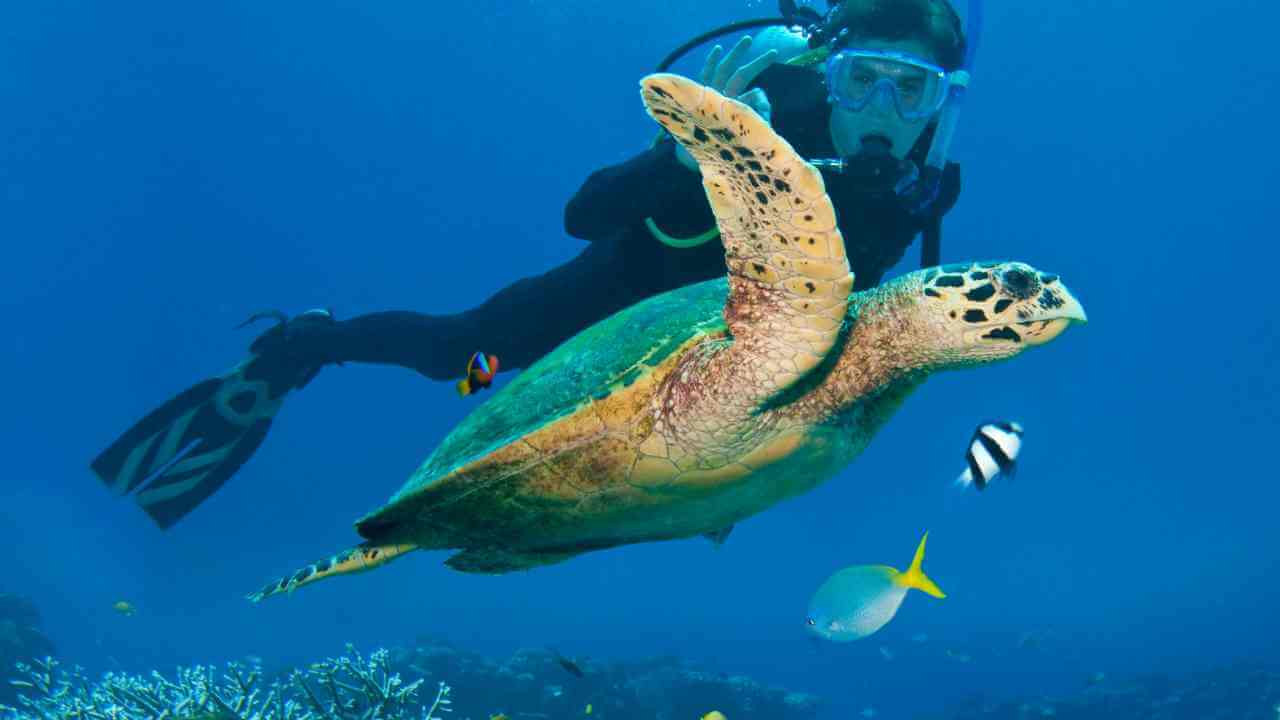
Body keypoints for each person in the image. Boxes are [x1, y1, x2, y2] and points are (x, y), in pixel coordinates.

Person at [92, 0, 978, 528]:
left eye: (913, 88)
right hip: (610, 299)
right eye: (863, 78)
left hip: (714, 362)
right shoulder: (758, 114)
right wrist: (686, 155)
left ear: (945, 103)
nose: (882, 108)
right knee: (465, 360)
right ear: (829, 75)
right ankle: (305, 346)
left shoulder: (924, 184)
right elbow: (581, 214)